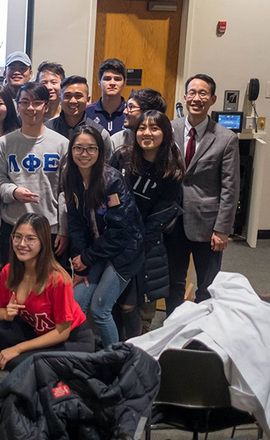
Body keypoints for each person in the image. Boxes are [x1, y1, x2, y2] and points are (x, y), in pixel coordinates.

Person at [61, 126, 144, 347]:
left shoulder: (112, 180)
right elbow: (76, 224)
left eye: (91, 148)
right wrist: (80, 261)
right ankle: (79, 354)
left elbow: (120, 231)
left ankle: (113, 359)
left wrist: (87, 258)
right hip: (95, 250)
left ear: (100, 152)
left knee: (100, 309)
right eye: (78, 148)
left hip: (124, 251)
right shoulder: (71, 175)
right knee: (75, 304)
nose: (84, 154)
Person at [166, 74, 240, 313]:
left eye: (203, 93)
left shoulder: (226, 138)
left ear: (213, 99)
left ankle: (203, 334)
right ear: (185, 96)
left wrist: (222, 229)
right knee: (173, 283)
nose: (196, 98)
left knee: (207, 286)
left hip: (208, 225)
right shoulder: (169, 129)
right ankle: (172, 328)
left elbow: (230, 187)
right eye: (192, 93)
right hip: (172, 221)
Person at [110, 110, 184, 338]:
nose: (147, 133)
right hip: (115, 236)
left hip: (147, 242)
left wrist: (136, 238)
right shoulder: (122, 156)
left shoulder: (171, 169)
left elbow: (163, 212)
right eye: (142, 128)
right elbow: (108, 189)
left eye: (154, 128)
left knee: (140, 299)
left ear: (165, 133)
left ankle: (138, 342)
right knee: (113, 297)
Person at [0, 213, 93, 371]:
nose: (22, 244)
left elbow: (62, 332)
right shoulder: (9, 271)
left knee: (21, 364)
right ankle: (37, 363)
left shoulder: (58, 279)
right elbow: (1, 310)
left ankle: (37, 364)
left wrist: (19, 348)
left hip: (71, 339)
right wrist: (7, 315)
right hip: (37, 332)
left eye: (30, 239)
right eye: (17, 237)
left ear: (43, 242)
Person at [0, 83, 69, 267]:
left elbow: (66, 191)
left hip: (49, 228)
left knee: (47, 287)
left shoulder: (61, 144)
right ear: (17, 106)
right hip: (14, 227)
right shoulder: (5, 143)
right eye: (25, 102)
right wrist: (14, 191)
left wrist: (63, 230)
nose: (31, 108)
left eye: (36, 103)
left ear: (46, 106)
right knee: (13, 285)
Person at [47, 75, 113, 155]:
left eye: (78, 96)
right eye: (67, 96)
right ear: (60, 99)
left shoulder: (100, 133)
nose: (73, 101)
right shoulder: (47, 129)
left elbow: (107, 165)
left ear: (88, 100)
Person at [85, 58, 127, 135]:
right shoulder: (86, 112)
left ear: (124, 82)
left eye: (117, 79)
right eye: (107, 79)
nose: (112, 83)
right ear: (99, 82)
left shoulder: (130, 113)